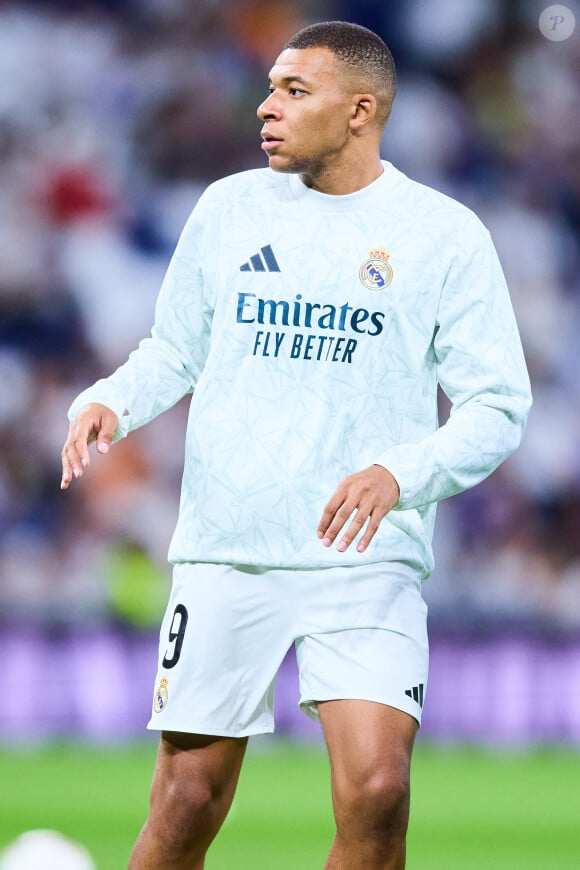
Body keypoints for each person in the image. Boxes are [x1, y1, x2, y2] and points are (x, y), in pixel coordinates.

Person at [60, 20, 532, 870]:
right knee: (187, 800)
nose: (265, 107)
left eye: (292, 91)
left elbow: (498, 404)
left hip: (365, 555)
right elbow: (174, 348)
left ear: (361, 111)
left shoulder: (444, 234)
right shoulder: (230, 208)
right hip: (229, 547)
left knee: (379, 791)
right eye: (271, 87)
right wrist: (110, 403)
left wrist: (401, 471)